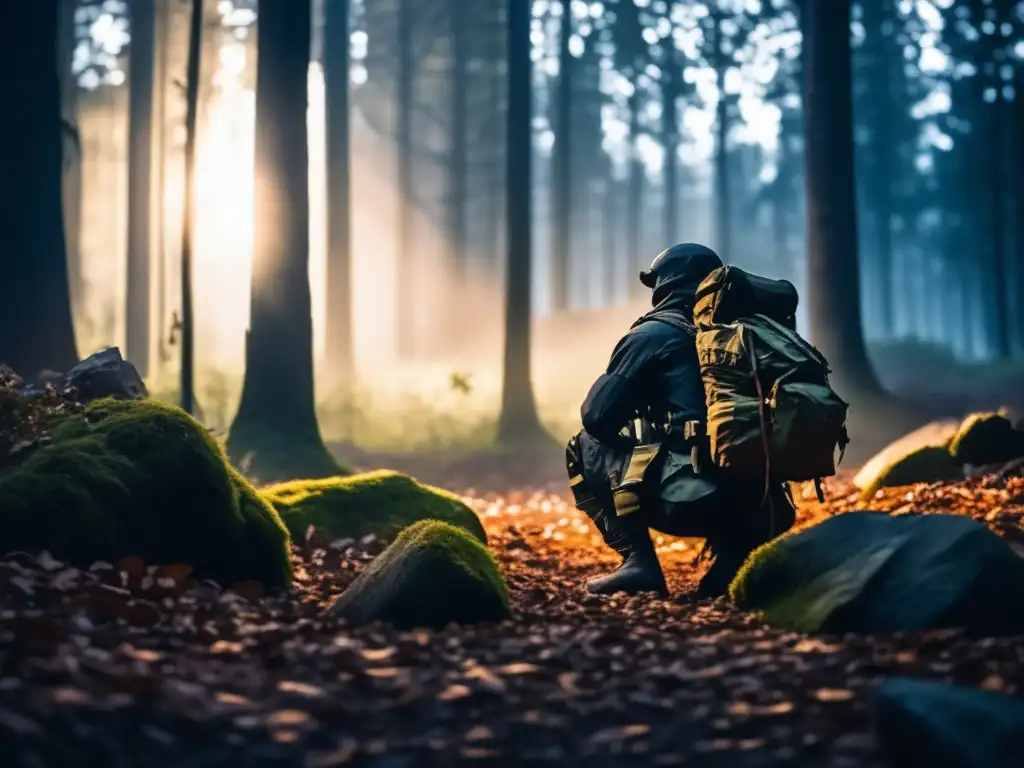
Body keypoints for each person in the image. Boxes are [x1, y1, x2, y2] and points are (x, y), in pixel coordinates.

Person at [565, 243, 795, 598]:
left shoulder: (651, 334)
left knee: (584, 443)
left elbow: (596, 416)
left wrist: (637, 446)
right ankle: (730, 567)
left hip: (689, 502)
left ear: (666, 283)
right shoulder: (746, 333)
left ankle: (638, 561)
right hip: (767, 506)